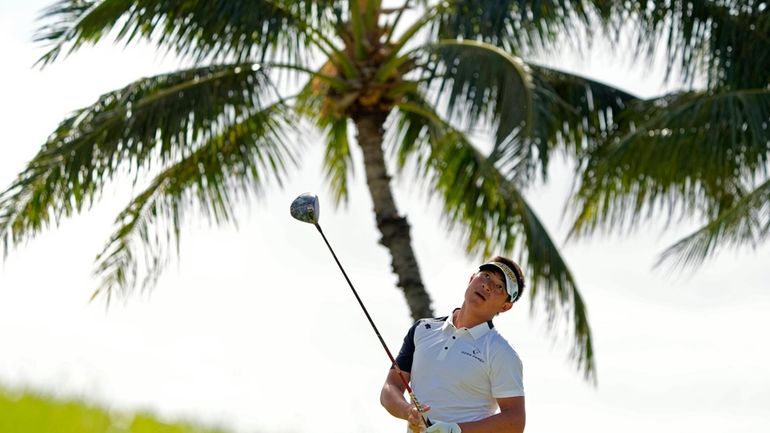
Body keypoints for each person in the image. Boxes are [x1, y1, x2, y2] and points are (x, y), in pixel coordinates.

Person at [380, 256, 526, 433]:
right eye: (486, 275)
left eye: (499, 287)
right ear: (472, 278)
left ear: (505, 306)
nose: (487, 286)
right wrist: (407, 410)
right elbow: (391, 387)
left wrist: (455, 430)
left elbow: (515, 421)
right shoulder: (422, 329)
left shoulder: (501, 352)